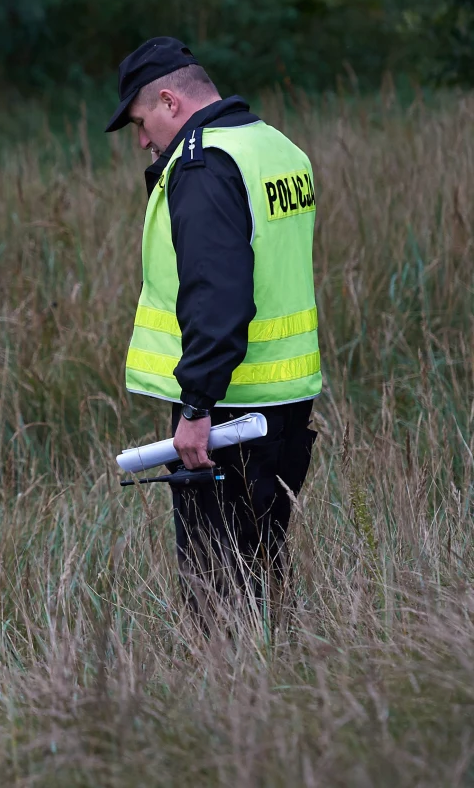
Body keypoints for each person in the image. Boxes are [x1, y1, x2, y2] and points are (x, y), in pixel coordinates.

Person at [106, 38, 321, 622]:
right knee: (263, 572)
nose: (144, 141)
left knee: (217, 594)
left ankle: (229, 706)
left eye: (141, 122)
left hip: (230, 412)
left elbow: (216, 293)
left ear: (170, 101)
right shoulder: (276, 147)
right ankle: (277, 693)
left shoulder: (202, 163)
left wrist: (197, 403)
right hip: (286, 402)